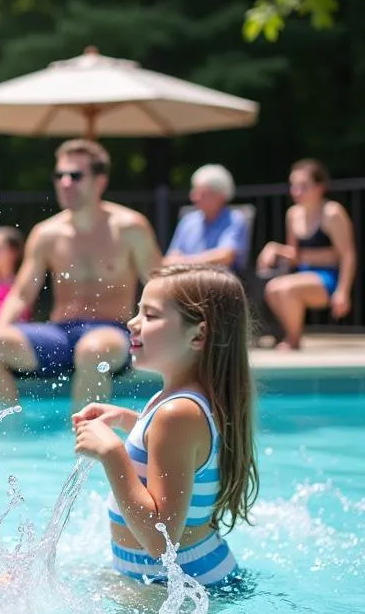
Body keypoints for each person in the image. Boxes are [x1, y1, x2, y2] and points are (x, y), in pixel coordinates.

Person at [73, 265, 259, 587]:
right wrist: (129, 421)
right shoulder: (182, 402)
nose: (132, 323)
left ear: (198, 334)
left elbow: (162, 542)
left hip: (187, 587)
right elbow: (184, 455)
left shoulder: (177, 413)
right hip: (187, 576)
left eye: (151, 315)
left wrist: (112, 452)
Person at [0, 138, 161, 407]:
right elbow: (22, 295)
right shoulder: (46, 234)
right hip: (59, 335)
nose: (65, 183)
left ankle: (85, 443)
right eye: (60, 175)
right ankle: (8, 435)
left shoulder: (130, 228)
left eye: (75, 175)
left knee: (92, 351)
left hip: (111, 334)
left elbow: (160, 286)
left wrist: (157, 334)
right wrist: (1, 327)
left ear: (100, 181)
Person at [256, 158, 357, 350]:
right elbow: (295, 255)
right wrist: (274, 248)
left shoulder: (332, 213)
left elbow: (347, 254)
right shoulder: (293, 214)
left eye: (303, 186)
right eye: (294, 186)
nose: (296, 192)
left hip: (328, 279)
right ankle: (293, 337)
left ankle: (293, 340)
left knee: (284, 288)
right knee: (272, 289)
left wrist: (343, 292)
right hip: (303, 275)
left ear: (320, 187)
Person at [163, 164, 250, 272]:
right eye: (194, 191)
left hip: (220, 283)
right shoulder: (188, 221)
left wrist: (185, 263)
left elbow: (225, 256)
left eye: (202, 193)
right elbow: (171, 257)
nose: (194, 197)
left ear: (220, 196)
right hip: (186, 281)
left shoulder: (235, 220)